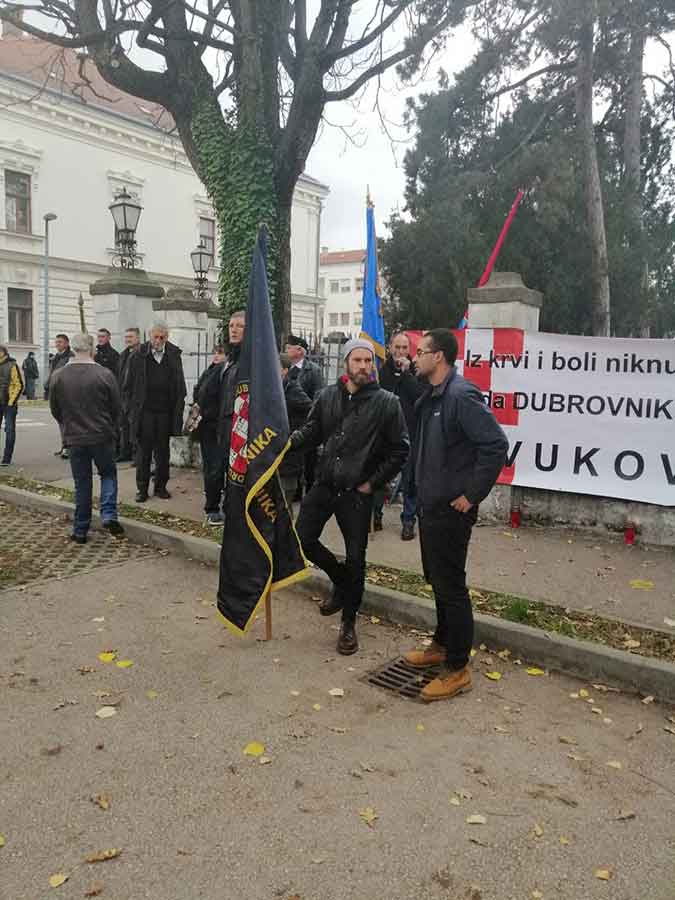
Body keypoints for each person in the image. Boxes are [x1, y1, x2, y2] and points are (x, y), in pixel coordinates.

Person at [404, 329, 508, 702]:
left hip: (451, 510)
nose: (415, 357)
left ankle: (458, 668)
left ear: (439, 357)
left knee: (451, 587)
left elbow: (495, 445)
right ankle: (442, 644)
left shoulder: (461, 396)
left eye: (421, 352)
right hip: (430, 505)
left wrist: (471, 495)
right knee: (437, 580)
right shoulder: (433, 395)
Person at [292, 338, 409, 655]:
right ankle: (341, 580)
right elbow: (313, 430)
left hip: (357, 493)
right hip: (324, 484)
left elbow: (400, 450)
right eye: (357, 360)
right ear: (345, 363)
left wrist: (372, 483)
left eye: (368, 361)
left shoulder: (387, 403)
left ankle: (348, 623)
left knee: (356, 558)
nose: (363, 366)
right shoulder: (327, 396)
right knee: (302, 539)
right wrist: (286, 444)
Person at [48, 332, 124, 544]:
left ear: (73, 348)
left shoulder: (59, 376)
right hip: (101, 435)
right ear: (91, 349)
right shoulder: (105, 374)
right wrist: (111, 427)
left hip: (75, 438)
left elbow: (55, 409)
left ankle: (80, 529)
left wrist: (68, 425)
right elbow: (116, 407)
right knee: (108, 474)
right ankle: (108, 514)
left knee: (82, 483)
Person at [124, 322, 186, 503]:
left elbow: (180, 386)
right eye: (155, 337)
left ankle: (160, 487)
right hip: (144, 413)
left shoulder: (173, 355)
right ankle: (142, 489)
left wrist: (177, 412)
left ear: (167, 337)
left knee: (163, 453)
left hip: (165, 412)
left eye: (162, 337)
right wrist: (130, 412)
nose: (158, 341)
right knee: (143, 453)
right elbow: (127, 387)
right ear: (149, 336)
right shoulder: (138, 355)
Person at [373, 331, 425, 540]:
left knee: (410, 480)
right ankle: (376, 515)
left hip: (409, 433)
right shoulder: (381, 372)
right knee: (379, 476)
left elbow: (419, 396)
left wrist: (407, 374)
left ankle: (408, 521)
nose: (401, 351)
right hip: (385, 434)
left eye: (404, 348)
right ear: (390, 348)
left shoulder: (417, 371)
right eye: (397, 347)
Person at [196, 310, 246, 520]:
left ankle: (231, 511)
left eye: (240, 326)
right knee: (215, 470)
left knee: (234, 473)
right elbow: (207, 391)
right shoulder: (227, 361)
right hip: (218, 426)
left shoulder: (249, 360)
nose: (234, 330)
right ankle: (214, 509)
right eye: (231, 325)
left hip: (238, 428)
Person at [285, 334, 323, 497]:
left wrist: (313, 419)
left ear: (300, 351)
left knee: (309, 461)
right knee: (293, 460)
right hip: (289, 422)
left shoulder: (313, 370)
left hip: (307, 423)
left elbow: (319, 396)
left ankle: (310, 492)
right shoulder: (285, 368)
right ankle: (296, 492)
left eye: (289, 348)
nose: (286, 350)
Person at [193, 344, 227, 525]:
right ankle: (212, 508)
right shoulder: (212, 371)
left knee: (215, 468)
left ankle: (214, 503)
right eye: (215, 353)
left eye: (220, 353)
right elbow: (199, 392)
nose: (216, 356)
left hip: (215, 425)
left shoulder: (221, 372)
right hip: (210, 426)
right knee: (213, 468)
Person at [279, 352, 312, 509]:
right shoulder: (270, 388)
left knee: (284, 505)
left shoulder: (292, 389)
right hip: (272, 455)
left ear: (285, 370)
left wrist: (297, 432)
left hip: (289, 455)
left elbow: (311, 410)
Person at [46, 335, 75, 458]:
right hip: (56, 392)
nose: (57, 344)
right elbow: (52, 374)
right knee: (60, 421)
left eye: (60, 342)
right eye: (56, 342)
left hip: (66, 392)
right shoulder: (55, 357)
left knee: (68, 422)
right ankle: (64, 445)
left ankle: (69, 447)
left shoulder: (71, 357)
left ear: (67, 343)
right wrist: (47, 385)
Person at [117, 327, 141, 462]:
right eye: (126, 337)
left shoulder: (142, 354)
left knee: (135, 427)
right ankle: (125, 453)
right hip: (123, 396)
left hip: (134, 396)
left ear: (138, 338)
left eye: (131, 337)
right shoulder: (123, 354)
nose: (128, 339)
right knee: (124, 426)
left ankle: (137, 456)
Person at [0, 345, 23, 466]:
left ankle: (6, 458)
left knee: (9, 430)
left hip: (9, 403)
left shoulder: (12, 365)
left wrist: (11, 402)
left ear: (3, 352)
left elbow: (19, 384)